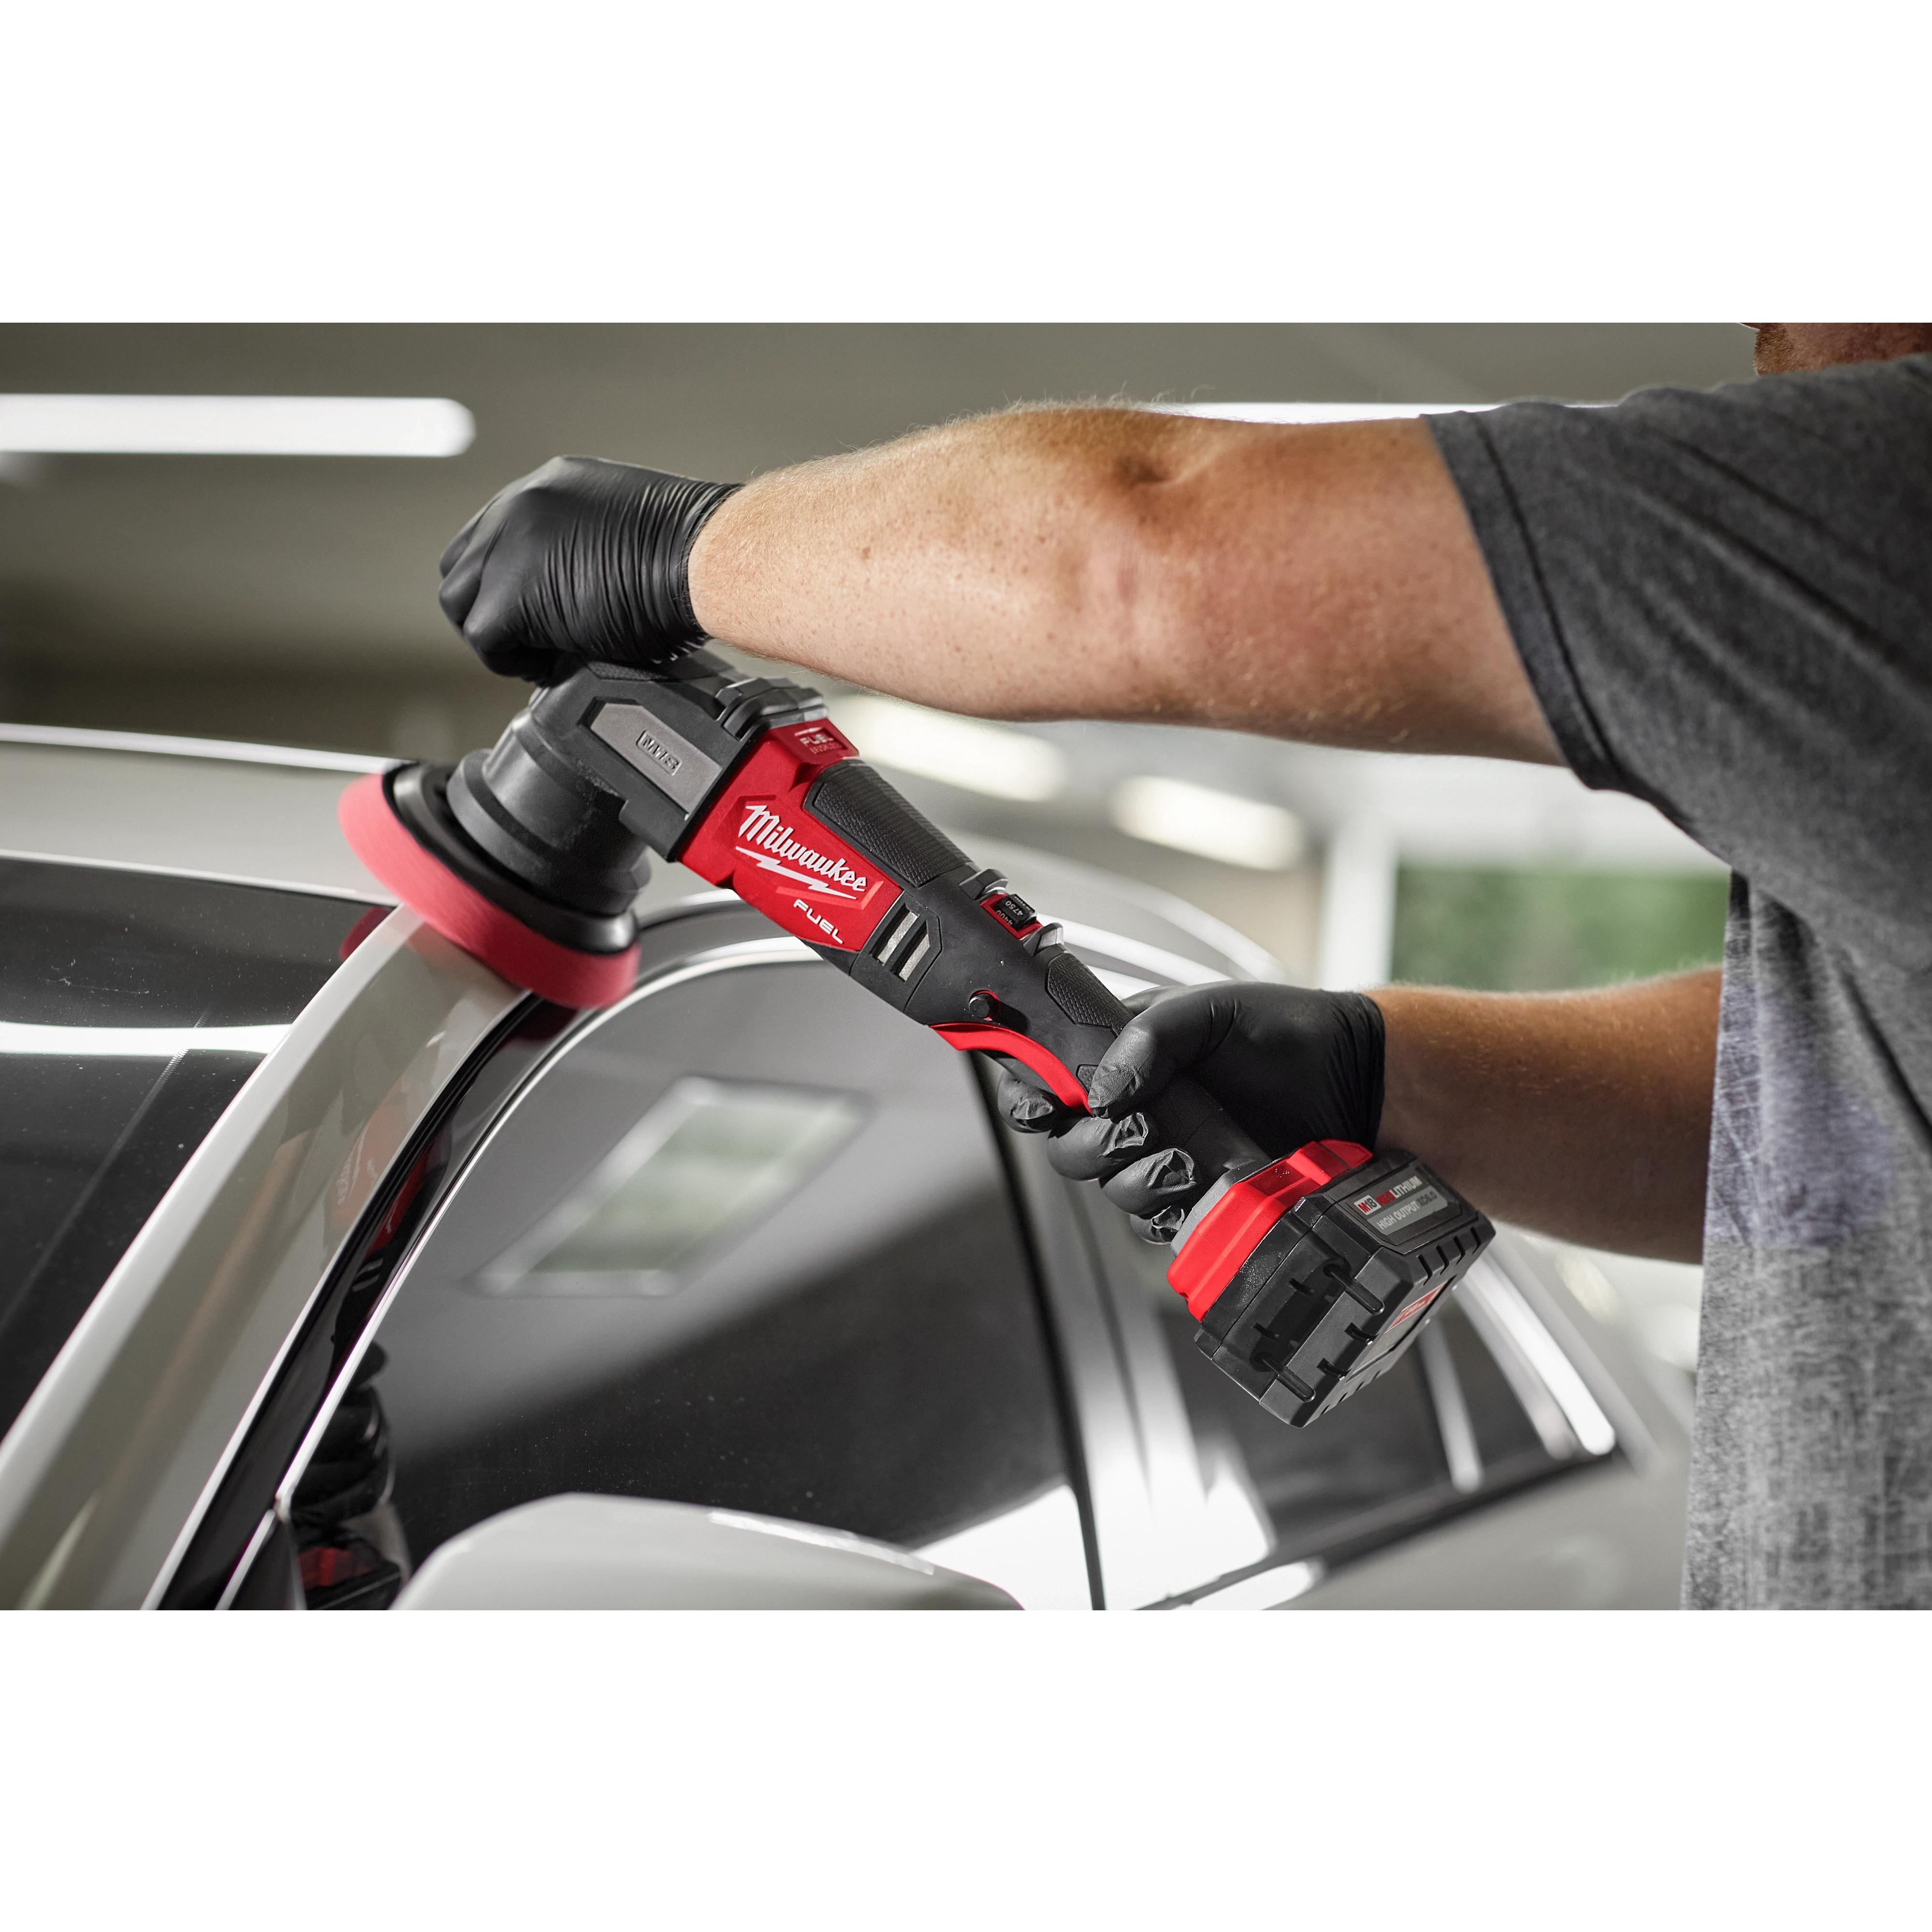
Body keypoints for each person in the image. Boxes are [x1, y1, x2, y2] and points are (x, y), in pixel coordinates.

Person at [436, 322, 1932, 1610]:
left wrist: (684, 548)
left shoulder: (1891, 481)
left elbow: (1141, 542)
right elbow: (1838, 1104)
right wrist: (1374, 1068)